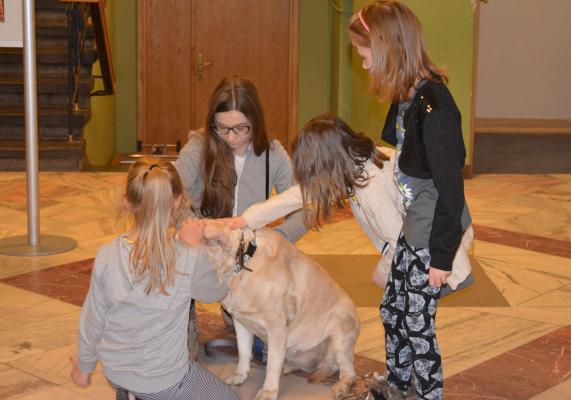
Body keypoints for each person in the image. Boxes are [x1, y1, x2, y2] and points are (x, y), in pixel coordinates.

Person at [349, 2, 473, 399]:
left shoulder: (435, 108)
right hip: (412, 225)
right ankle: (399, 384)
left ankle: (428, 394)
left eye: (366, 56)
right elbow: (395, 143)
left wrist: (441, 257)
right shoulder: (410, 96)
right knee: (392, 309)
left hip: (431, 232)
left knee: (417, 323)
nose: (365, 66)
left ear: (388, 50)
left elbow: (452, 190)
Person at [222, 114, 473, 294]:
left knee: (407, 320)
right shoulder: (356, 162)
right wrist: (245, 220)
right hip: (430, 241)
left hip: (437, 252)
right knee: (397, 314)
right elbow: (298, 195)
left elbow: (401, 240)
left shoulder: (370, 187)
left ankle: (412, 368)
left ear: (327, 166)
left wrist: (383, 271)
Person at [70, 158, 238, 400]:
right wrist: (197, 247)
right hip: (166, 380)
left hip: (117, 371)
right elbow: (216, 292)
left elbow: (92, 319)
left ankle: (131, 393)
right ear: (179, 202)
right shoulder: (186, 256)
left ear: (127, 201)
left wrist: (83, 367)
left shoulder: (107, 255)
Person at [175, 75, 307, 362]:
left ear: (256, 122)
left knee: (274, 349)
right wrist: (192, 228)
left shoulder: (273, 154)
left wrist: (280, 238)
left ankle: (235, 309)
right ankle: (184, 313)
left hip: (246, 253)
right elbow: (171, 197)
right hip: (202, 249)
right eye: (221, 128)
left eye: (240, 128)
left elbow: (303, 205)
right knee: (177, 353)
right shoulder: (198, 147)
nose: (231, 137)